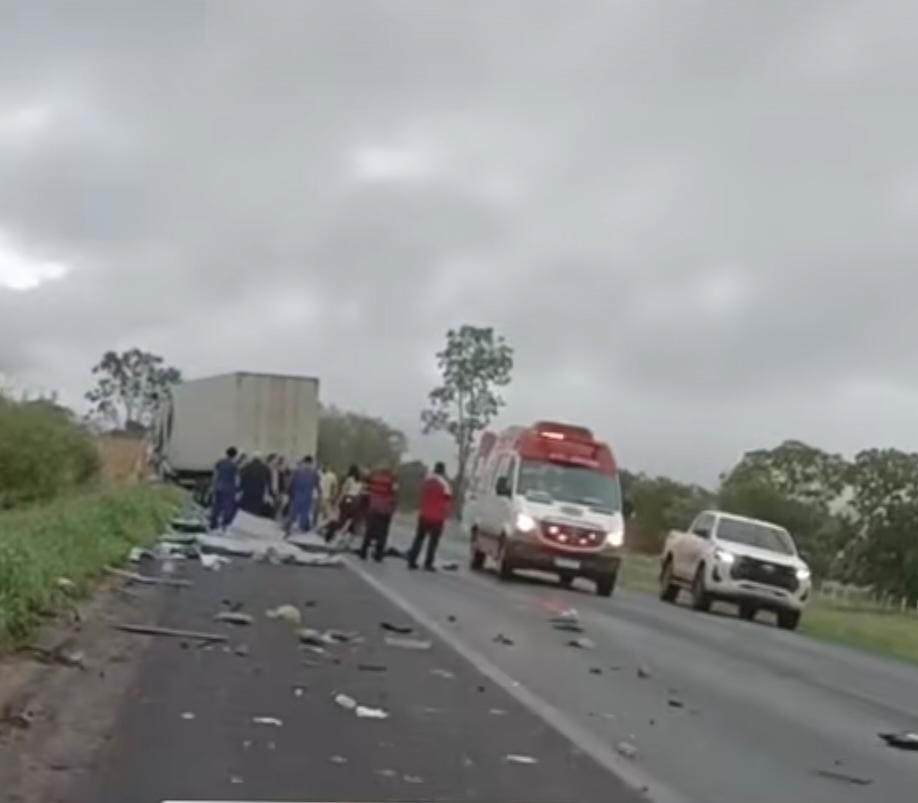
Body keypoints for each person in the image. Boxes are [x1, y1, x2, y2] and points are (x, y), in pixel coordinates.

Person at [408, 462, 452, 570]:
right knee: (433, 542)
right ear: (443, 471)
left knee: (419, 538)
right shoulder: (445, 485)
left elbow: (422, 495)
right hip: (437, 518)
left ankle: (412, 560)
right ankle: (428, 563)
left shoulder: (427, 481)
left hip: (424, 515)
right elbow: (447, 502)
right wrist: (446, 515)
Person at [360, 463, 399, 562]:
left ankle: (363, 551)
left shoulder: (374, 478)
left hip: (373, 507)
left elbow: (366, 488)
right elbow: (394, 492)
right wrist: (393, 507)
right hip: (385, 509)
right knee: (383, 533)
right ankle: (378, 555)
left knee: (369, 531)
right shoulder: (392, 479)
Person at [323, 465, 362, 544]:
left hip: (347, 499)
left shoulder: (349, 480)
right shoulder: (359, 481)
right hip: (355, 501)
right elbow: (359, 492)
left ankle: (330, 536)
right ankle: (344, 535)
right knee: (349, 519)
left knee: (340, 518)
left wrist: (338, 502)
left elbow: (344, 491)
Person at [284, 455, 320, 535]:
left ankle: (288, 526)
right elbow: (317, 486)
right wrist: (319, 494)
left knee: (293, 511)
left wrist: (287, 492)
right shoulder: (314, 474)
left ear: (304, 462)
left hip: (297, 495)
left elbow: (290, 482)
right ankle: (302, 527)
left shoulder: (297, 471)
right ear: (311, 463)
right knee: (304, 512)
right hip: (307, 496)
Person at [209, 446, 239, 531]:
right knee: (227, 507)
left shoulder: (220, 462)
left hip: (218, 487)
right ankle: (224, 525)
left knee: (216, 506)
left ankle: (213, 524)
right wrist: (237, 489)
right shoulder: (234, 466)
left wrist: (213, 486)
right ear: (235, 455)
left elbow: (215, 475)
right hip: (229, 489)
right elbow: (236, 479)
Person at [239, 452, 272, 517]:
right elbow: (269, 482)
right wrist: (269, 493)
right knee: (256, 510)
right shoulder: (265, 468)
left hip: (247, 491)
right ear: (260, 459)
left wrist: (240, 488)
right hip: (259, 492)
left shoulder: (246, 467)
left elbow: (242, 479)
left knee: (246, 510)